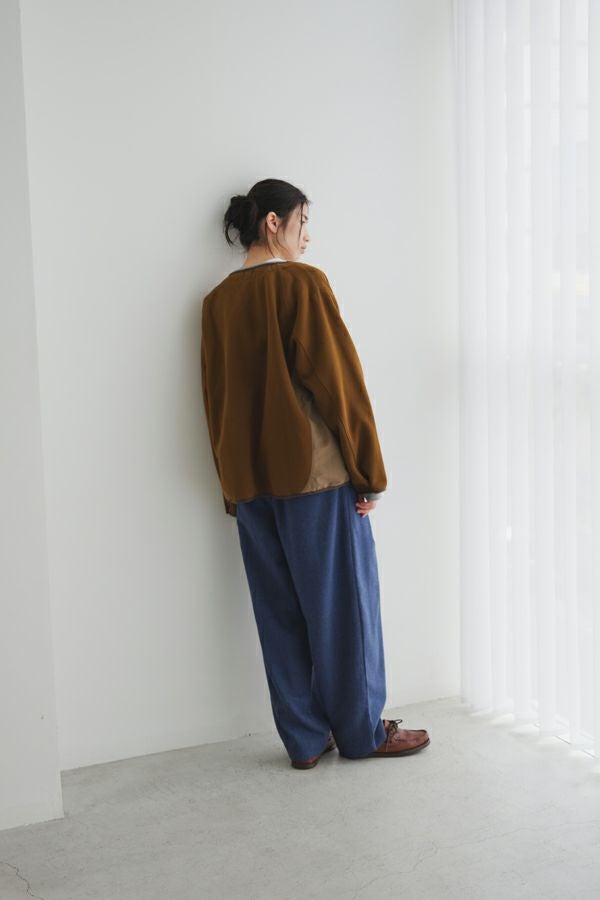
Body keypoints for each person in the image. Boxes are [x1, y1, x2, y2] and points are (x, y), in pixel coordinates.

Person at [200, 178, 430, 768]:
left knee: (277, 613)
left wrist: (231, 486)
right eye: (303, 221)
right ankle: (362, 732)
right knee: (343, 609)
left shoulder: (217, 302)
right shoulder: (302, 283)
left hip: (249, 485)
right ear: (273, 223)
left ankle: (304, 740)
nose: (308, 236)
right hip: (315, 479)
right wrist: (368, 472)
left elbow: (215, 398)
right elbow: (338, 384)